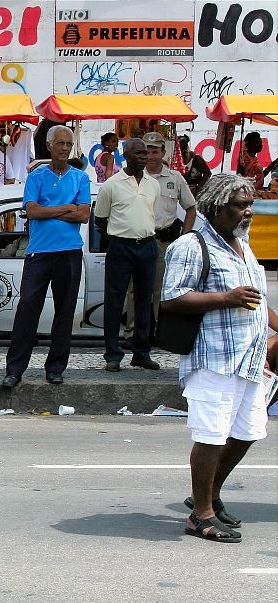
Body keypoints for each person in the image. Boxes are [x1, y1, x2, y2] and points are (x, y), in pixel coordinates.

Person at [160, 173, 276, 543]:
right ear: (215, 207)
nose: (248, 212)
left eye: (249, 204)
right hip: (214, 358)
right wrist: (224, 298)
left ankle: (207, 495)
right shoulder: (191, 246)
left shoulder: (243, 244)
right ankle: (201, 515)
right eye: (240, 205)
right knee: (212, 436)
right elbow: (171, 297)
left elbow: (255, 297)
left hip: (250, 359)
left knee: (246, 433)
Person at [1, 126, 91, 389]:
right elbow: (32, 211)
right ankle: (15, 369)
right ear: (49, 146)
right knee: (28, 308)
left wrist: (48, 209)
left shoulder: (80, 178)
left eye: (68, 144)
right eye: (60, 143)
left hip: (69, 251)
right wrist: (65, 208)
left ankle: (56, 367)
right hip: (40, 252)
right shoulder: (37, 176)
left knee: (64, 312)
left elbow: (83, 215)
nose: (64, 148)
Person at [93, 138, 161, 372]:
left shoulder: (153, 185)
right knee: (114, 300)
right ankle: (113, 354)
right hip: (121, 246)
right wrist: (121, 234)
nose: (144, 157)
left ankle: (141, 352)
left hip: (148, 245)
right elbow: (100, 219)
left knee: (144, 301)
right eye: (139, 153)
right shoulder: (112, 185)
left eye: (147, 153)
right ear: (126, 155)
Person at [126, 132, 196, 335]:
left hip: (163, 241)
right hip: (136, 239)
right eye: (146, 151)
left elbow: (191, 208)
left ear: (163, 152)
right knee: (134, 290)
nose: (150, 155)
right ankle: (132, 333)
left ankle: (159, 332)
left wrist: (184, 238)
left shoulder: (175, 178)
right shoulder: (132, 177)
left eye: (155, 151)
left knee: (161, 290)